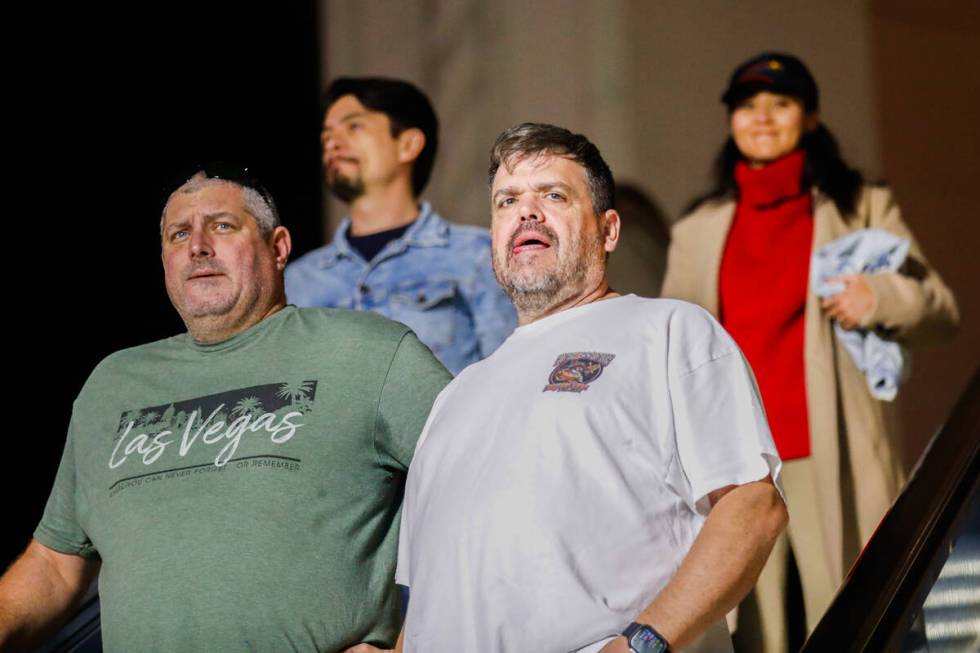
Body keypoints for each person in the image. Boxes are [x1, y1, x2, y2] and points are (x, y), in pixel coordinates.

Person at [0, 168, 451, 652]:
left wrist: (412, 643)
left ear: (278, 247)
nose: (197, 246)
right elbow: (54, 565)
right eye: (179, 234)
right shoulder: (111, 384)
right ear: (164, 261)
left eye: (221, 226)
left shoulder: (369, 353)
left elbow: (489, 497)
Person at [378, 123, 788, 653]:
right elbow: (430, 590)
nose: (526, 212)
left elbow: (753, 508)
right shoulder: (456, 396)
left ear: (608, 230)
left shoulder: (669, 331)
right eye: (507, 201)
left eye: (553, 195)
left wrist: (641, 645)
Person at [661, 52, 958, 651]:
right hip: (737, 458)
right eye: (747, 105)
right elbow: (669, 349)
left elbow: (939, 310)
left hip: (833, 449)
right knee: (753, 630)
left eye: (782, 102)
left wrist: (878, 295)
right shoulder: (697, 228)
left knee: (851, 615)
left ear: (812, 116)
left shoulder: (858, 206)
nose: (763, 117)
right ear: (731, 121)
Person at [286, 77, 517, 374]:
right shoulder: (298, 281)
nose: (332, 142)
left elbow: (509, 377)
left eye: (354, 126)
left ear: (408, 144)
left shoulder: (477, 255)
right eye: (326, 134)